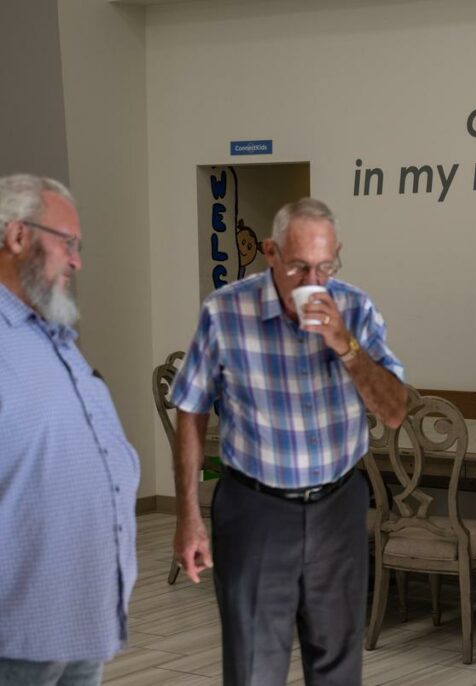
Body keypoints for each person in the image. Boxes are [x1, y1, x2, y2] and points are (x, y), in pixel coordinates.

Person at [170, 197, 406, 685]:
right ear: (270, 252)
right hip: (254, 508)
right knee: (254, 667)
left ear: (338, 255)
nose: (312, 283)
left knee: (339, 669)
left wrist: (346, 346)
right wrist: (188, 516)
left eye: (325, 266)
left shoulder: (356, 309)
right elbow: (190, 408)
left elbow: (395, 410)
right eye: (299, 267)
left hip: (338, 505)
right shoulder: (225, 312)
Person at [0, 173, 139, 685]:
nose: (78, 261)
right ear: (17, 237)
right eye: (68, 243)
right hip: (17, 634)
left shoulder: (50, 336)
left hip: (80, 619)